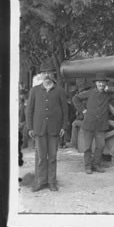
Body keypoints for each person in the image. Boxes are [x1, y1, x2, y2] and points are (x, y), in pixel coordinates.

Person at [26, 61, 68, 192]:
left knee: (53, 157)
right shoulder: (34, 90)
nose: (46, 75)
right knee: (41, 157)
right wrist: (30, 127)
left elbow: (65, 110)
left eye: (49, 72)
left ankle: (52, 182)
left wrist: (63, 127)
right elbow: (29, 110)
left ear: (52, 74)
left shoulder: (60, 91)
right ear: (41, 75)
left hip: (55, 129)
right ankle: (40, 182)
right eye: (44, 73)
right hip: (39, 128)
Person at [72, 73, 114, 174]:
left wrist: (109, 89)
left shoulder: (108, 94)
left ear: (105, 84)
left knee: (100, 146)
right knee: (87, 147)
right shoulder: (90, 93)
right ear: (96, 83)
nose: (101, 84)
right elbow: (75, 98)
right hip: (89, 123)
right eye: (99, 82)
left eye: (103, 82)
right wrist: (83, 110)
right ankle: (87, 166)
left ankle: (96, 165)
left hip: (101, 125)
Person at [70, 81, 93, 148]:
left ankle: (74, 143)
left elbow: (83, 115)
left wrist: (83, 112)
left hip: (90, 122)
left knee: (75, 123)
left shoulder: (85, 100)